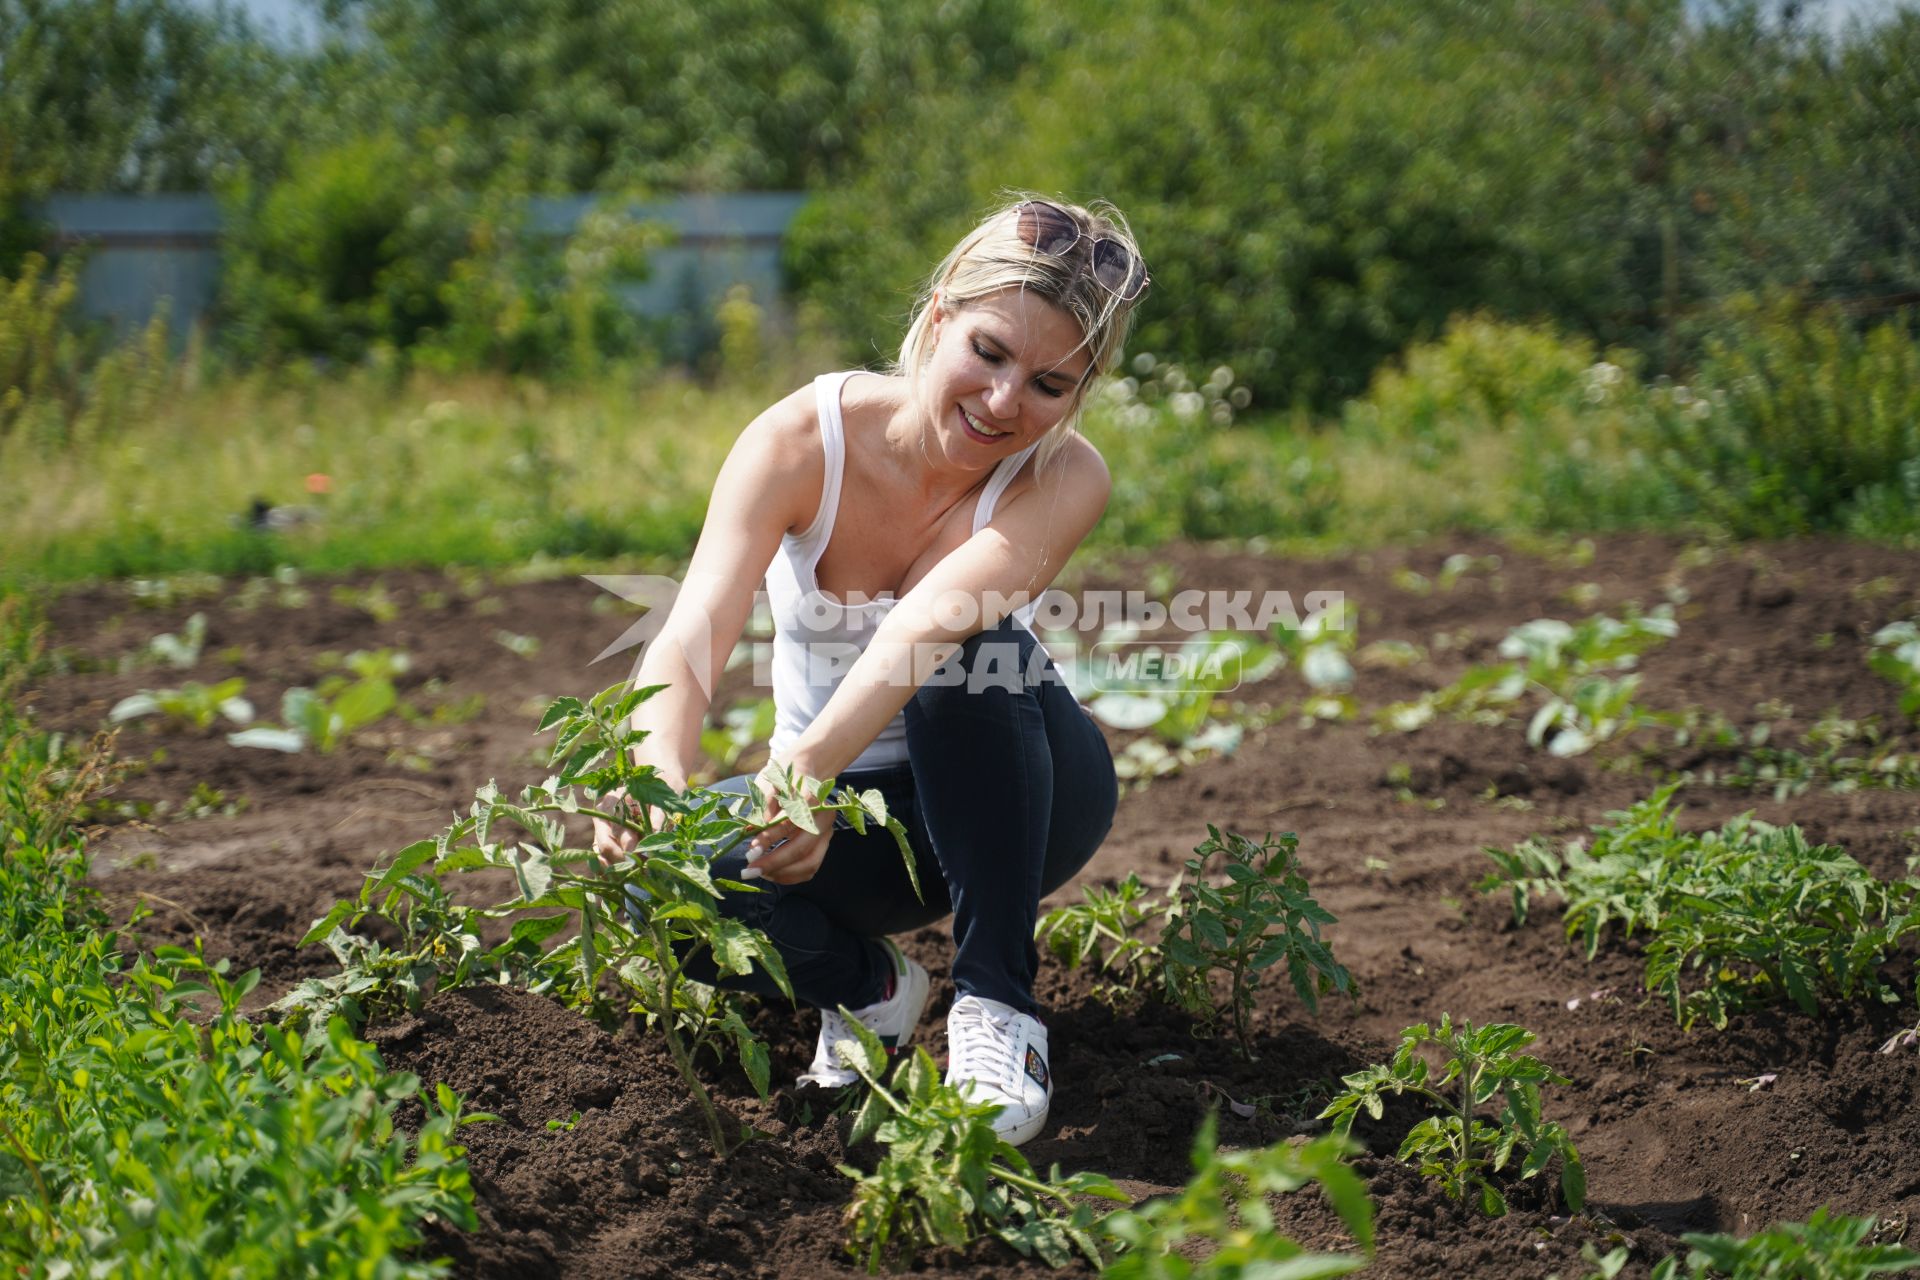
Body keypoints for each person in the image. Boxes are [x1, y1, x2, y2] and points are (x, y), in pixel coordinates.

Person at [591, 196, 1148, 1146]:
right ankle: (874, 993)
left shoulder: (1066, 476)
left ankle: (998, 1013)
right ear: (938, 315)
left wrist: (805, 766)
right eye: (990, 352)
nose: (1008, 402)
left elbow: (933, 624)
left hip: (1026, 799)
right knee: (657, 875)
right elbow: (693, 629)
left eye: (1052, 384)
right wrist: (653, 782)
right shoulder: (803, 440)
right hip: (852, 824)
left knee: (969, 645)